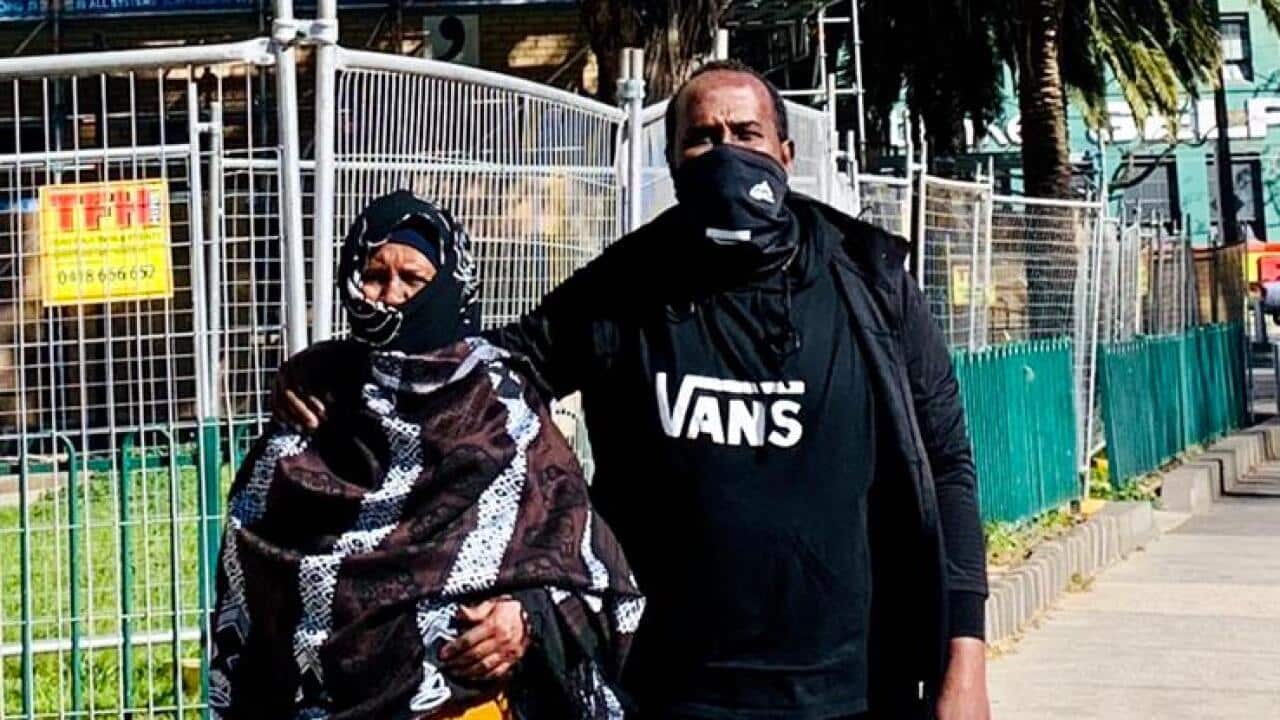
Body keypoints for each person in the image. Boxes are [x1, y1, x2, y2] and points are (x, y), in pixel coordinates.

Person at [277, 61, 989, 719]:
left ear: (785, 153)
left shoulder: (869, 281)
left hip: (853, 687)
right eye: (702, 139)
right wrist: (351, 367)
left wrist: (966, 660)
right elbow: (491, 379)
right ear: (673, 162)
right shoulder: (629, 285)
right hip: (666, 685)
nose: (726, 155)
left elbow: (948, 465)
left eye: (746, 135)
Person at [211, 191, 643, 719]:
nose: (390, 295)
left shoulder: (501, 414)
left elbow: (578, 560)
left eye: (412, 279)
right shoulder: (316, 404)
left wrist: (525, 616)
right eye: (374, 276)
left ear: (449, 287)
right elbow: (254, 561)